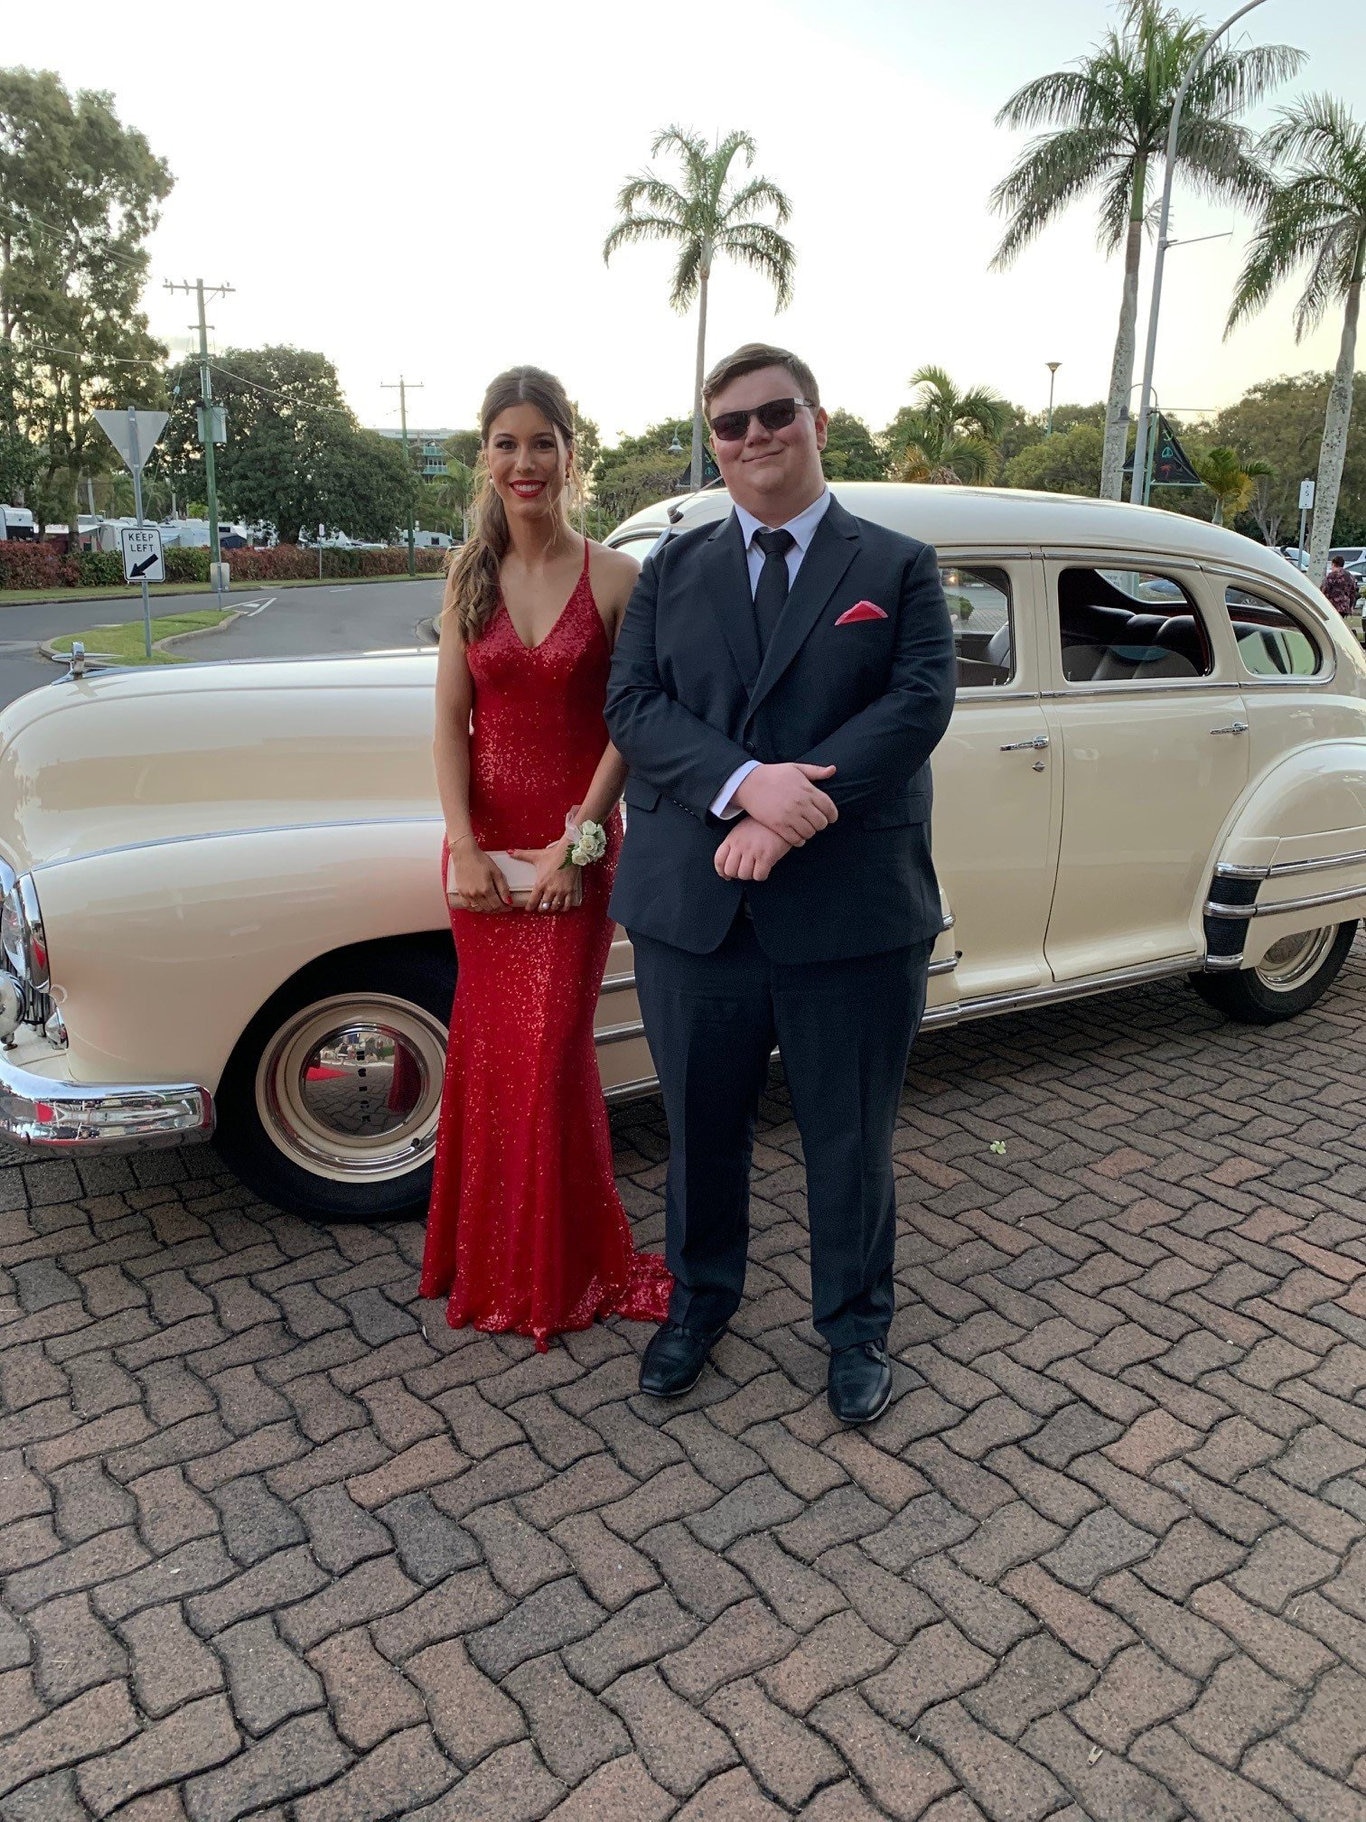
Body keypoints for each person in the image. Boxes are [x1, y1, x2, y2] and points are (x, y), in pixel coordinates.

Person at [605, 342, 956, 1424]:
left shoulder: (894, 565)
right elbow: (633, 707)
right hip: (696, 911)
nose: (753, 437)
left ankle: (855, 1326)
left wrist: (796, 813)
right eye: (730, 425)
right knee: (699, 1130)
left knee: (849, 1135)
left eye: (773, 415)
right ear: (712, 446)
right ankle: (698, 1305)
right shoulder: (671, 567)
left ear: (815, 419)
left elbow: (916, 702)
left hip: (848, 910)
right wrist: (746, 786)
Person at [420, 366, 671, 1351]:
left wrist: (578, 840)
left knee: (552, 1054)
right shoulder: (466, 576)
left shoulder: (616, 576)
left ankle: (559, 1263)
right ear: (486, 457)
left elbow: (632, 721)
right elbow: (448, 725)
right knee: (489, 1050)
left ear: (572, 455)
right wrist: (469, 846)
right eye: (506, 442)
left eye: (543, 442)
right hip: (482, 855)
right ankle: (487, 1257)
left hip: (578, 847)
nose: (524, 461)